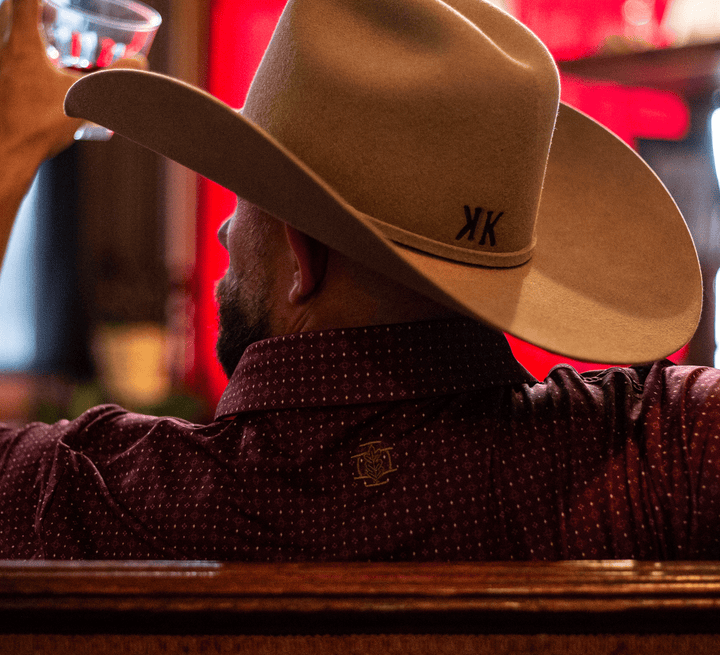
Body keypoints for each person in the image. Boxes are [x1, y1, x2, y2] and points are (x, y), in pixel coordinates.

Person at [1, 0, 719, 562]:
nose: (223, 230)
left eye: (248, 201)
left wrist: (9, 150)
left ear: (301, 259)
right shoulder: (657, 454)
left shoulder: (100, 499)